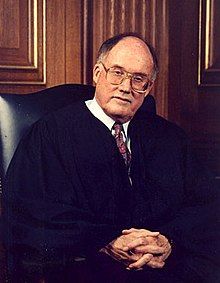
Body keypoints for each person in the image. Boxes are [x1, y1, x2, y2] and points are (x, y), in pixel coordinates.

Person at [2, 33, 219, 282]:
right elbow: (30, 212)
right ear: (97, 73)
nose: (126, 87)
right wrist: (106, 241)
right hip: (89, 263)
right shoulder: (51, 134)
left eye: (139, 79)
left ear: (148, 88)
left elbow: (206, 204)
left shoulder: (170, 137)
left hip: (162, 264)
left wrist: (168, 240)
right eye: (117, 72)